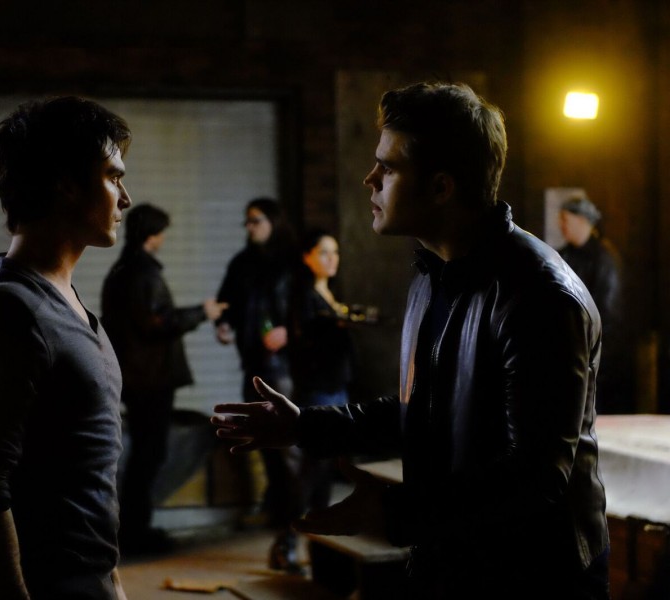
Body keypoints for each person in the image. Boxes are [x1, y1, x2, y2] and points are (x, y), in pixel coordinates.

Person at [212, 82, 610, 599]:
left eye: (388, 167)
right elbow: (421, 413)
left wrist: (392, 512)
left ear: (441, 187)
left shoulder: (538, 295)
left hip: (532, 578)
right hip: (455, 559)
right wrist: (305, 426)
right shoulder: (433, 272)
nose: (370, 179)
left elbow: (536, 477)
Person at [0, 96, 132, 599]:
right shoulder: (6, 311)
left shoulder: (63, 299)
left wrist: (111, 581)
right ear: (66, 183)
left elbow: (85, 476)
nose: (125, 198)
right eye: (112, 177)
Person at [100, 202, 227, 556]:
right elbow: (158, 322)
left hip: (136, 377)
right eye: (162, 233)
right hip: (150, 380)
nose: (164, 239)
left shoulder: (121, 270)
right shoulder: (142, 273)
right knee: (149, 454)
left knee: (145, 453)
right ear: (152, 236)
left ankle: (134, 528)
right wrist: (202, 313)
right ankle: (135, 532)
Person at [214, 197, 303, 572]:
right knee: (262, 440)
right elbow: (227, 303)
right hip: (252, 364)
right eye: (247, 221)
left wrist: (289, 332)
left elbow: (310, 310)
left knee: (288, 448)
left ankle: (292, 525)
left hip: (284, 368)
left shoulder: (293, 263)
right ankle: (278, 512)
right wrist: (223, 323)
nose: (250, 227)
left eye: (257, 220)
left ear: (274, 221)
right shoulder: (242, 262)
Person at [287, 228, 355, 522]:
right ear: (307, 257)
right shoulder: (305, 297)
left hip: (336, 383)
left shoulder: (330, 294)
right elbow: (305, 344)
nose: (332, 259)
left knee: (327, 461)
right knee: (314, 461)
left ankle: (318, 527)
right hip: (318, 387)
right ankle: (291, 530)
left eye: (335, 252)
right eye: (324, 252)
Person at [558, 195, 628, 413]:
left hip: (597, 353)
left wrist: (593, 351)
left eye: (565, 220)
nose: (561, 226)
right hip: (569, 348)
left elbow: (608, 312)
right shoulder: (563, 256)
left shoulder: (604, 259)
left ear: (582, 221)